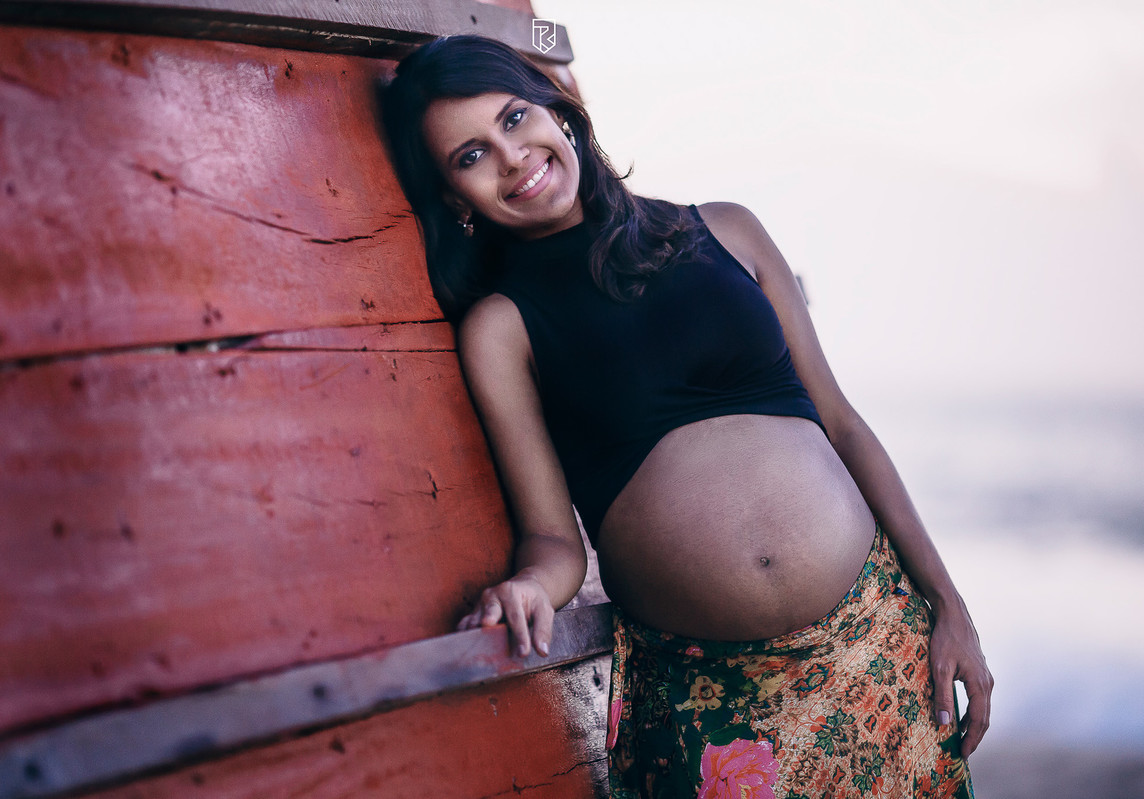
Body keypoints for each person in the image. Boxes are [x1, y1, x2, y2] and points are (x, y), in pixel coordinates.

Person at [380, 34, 991, 798]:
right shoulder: (502, 327)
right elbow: (552, 537)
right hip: (713, 703)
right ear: (450, 197)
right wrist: (532, 585)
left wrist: (949, 605)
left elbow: (842, 424)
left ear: (558, 114)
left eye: (514, 118)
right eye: (469, 156)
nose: (510, 156)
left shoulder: (728, 231)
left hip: (876, 647)